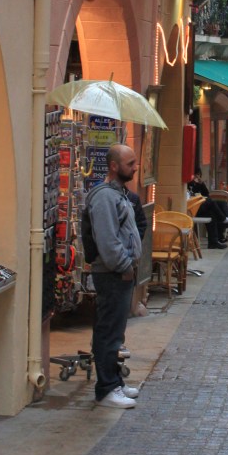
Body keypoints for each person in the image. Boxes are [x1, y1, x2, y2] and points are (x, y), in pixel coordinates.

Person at [87, 144, 142, 409]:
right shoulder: (104, 198)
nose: (135, 167)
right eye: (130, 163)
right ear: (113, 166)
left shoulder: (119, 194)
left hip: (121, 272)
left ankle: (115, 382)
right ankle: (106, 388)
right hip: (112, 274)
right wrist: (123, 265)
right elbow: (108, 240)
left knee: (115, 331)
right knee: (108, 331)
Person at [186, 168, 228, 249]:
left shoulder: (199, 184)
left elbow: (206, 194)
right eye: (196, 175)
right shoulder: (187, 183)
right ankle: (225, 220)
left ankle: (214, 242)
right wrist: (193, 183)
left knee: (214, 211)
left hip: (198, 205)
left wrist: (201, 184)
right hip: (191, 208)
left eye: (199, 175)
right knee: (211, 202)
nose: (197, 177)